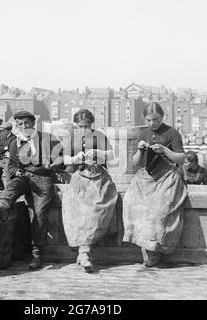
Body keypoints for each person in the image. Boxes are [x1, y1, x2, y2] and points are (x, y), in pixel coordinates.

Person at [0, 111, 64, 270]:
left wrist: (54, 164)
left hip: (43, 178)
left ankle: (37, 254)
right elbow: (11, 166)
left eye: (27, 123)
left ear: (33, 123)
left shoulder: (47, 138)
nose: (24, 126)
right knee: (11, 188)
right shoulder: (15, 142)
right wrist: (17, 172)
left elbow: (62, 157)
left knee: (40, 212)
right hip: (24, 176)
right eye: (20, 124)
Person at [122, 102, 188, 268]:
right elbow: (136, 163)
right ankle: (147, 249)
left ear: (162, 116)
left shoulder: (172, 133)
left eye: (156, 119)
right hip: (146, 177)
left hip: (166, 177)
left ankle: (154, 251)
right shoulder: (143, 133)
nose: (152, 123)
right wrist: (139, 150)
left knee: (158, 211)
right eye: (149, 119)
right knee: (131, 203)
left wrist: (164, 150)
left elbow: (180, 159)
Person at [62, 109, 118, 272]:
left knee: (94, 208)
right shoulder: (72, 138)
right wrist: (75, 158)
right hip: (80, 177)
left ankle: (83, 253)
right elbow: (65, 159)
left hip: (99, 178)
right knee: (75, 207)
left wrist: (98, 152)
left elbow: (112, 155)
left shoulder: (99, 136)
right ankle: (83, 253)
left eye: (87, 126)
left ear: (91, 125)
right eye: (80, 126)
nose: (83, 129)